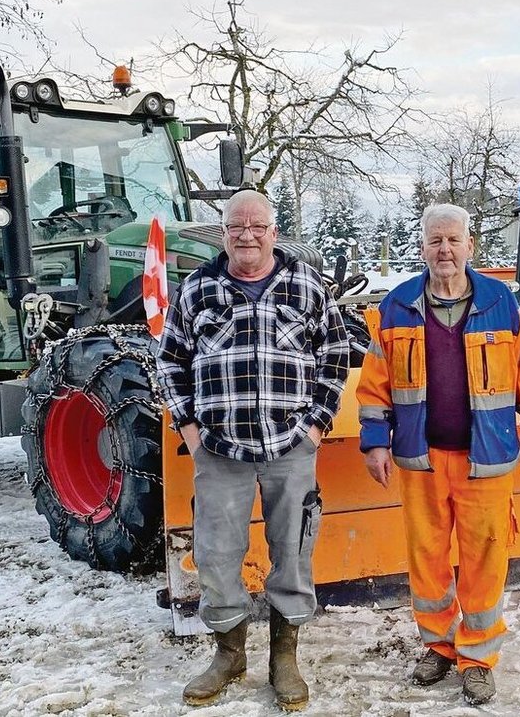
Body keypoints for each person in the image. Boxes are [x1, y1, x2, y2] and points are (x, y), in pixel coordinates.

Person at [155, 189, 350, 711]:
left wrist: (316, 427)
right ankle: (228, 655)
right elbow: (170, 361)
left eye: (256, 226)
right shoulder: (196, 288)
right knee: (217, 557)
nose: (246, 234)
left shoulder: (306, 285)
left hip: (291, 446)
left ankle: (284, 659)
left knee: (293, 552)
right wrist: (191, 430)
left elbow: (334, 355)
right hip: (218, 451)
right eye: (236, 226)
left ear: (273, 232)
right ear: (223, 233)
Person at [356, 203, 520, 706]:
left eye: (453, 240)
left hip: (485, 459)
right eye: (434, 241)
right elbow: (375, 385)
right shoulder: (396, 308)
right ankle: (439, 646)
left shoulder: (501, 304)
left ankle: (479, 657)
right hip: (420, 459)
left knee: (486, 556)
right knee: (427, 558)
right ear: (421, 247)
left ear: (470, 245)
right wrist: (375, 441)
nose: (444, 250)